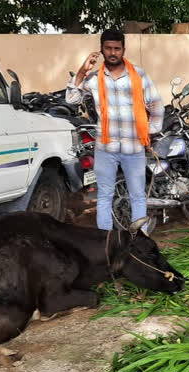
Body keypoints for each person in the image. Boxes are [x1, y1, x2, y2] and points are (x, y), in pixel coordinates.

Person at [66, 28, 163, 232]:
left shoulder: (138, 75)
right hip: (105, 148)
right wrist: (82, 71)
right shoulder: (93, 78)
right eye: (108, 48)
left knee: (137, 195)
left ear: (123, 50)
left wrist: (148, 133)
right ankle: (106, 243)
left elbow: (156, 106)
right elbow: (71, 99)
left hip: (133, 148)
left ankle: (139, 241)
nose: (112, 52)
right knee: (104, 196)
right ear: (102, 50)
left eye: (117, 48)